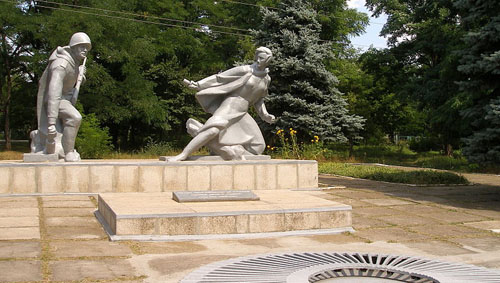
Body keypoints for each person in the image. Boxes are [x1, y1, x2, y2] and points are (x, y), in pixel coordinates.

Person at [168, 47, 276, 161]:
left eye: (262, 58)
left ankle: (219, 148)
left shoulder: (266, 79)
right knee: (213, 130)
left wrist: (265, 114)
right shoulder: (245, 70)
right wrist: (199, 85)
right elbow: (219, 78)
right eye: (257, 57)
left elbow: (259, 100)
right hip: (230, 105)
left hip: (243, 112)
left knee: (257, 147)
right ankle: (183, 154)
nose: (258, 60)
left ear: (268, 60)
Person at [31, 32, 91, 162]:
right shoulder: (61, 64)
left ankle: (40, 138)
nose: (85, 50)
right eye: (81, 46)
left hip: (63, 99)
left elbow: (69, 83)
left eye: (87, 47)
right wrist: (51, 122)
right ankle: (68, 152)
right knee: (74, 118)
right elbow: (53, 92)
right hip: (56, 100)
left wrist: (81, 75)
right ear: (73, 47)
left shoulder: (74, 62)